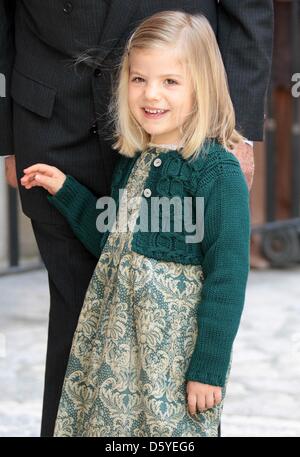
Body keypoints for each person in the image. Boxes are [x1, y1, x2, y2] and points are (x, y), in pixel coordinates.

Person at [0, 0, 273, 436]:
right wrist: (68, 192)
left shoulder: (215, 173)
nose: (151, 94)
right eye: (139, 80)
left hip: (175, 359)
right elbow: (114, 240)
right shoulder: (135, 162)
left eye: (169, 81)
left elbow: (228, 276)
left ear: (200, 86)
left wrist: (209, 368)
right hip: (118, 359)